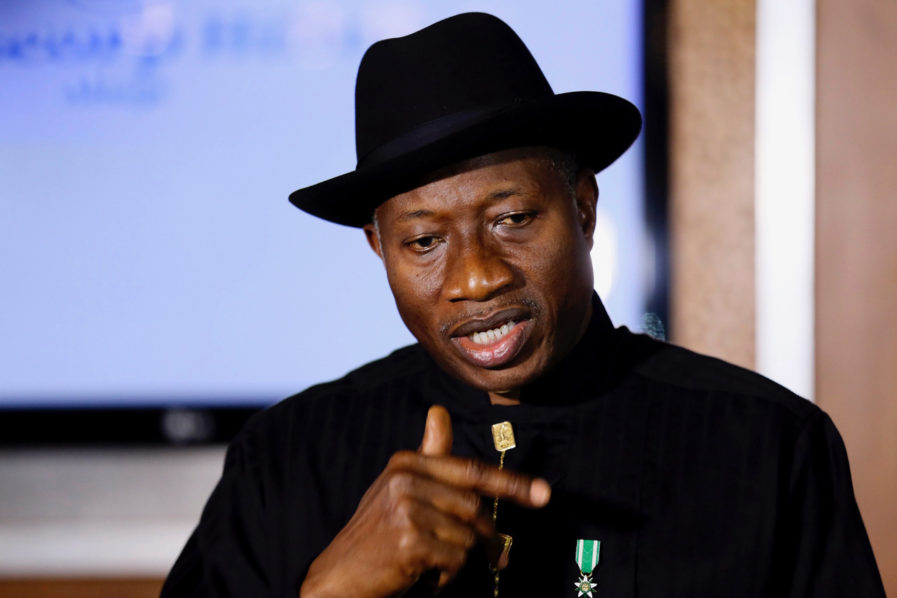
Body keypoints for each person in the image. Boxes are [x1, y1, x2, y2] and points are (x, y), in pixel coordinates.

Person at [161, 13, 885, 598]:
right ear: (379, 249)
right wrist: (333, 591)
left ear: (583, 209)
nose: (476, 279)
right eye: (423, 242)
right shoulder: (287, 459)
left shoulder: (766, 446)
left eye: (512, 220)